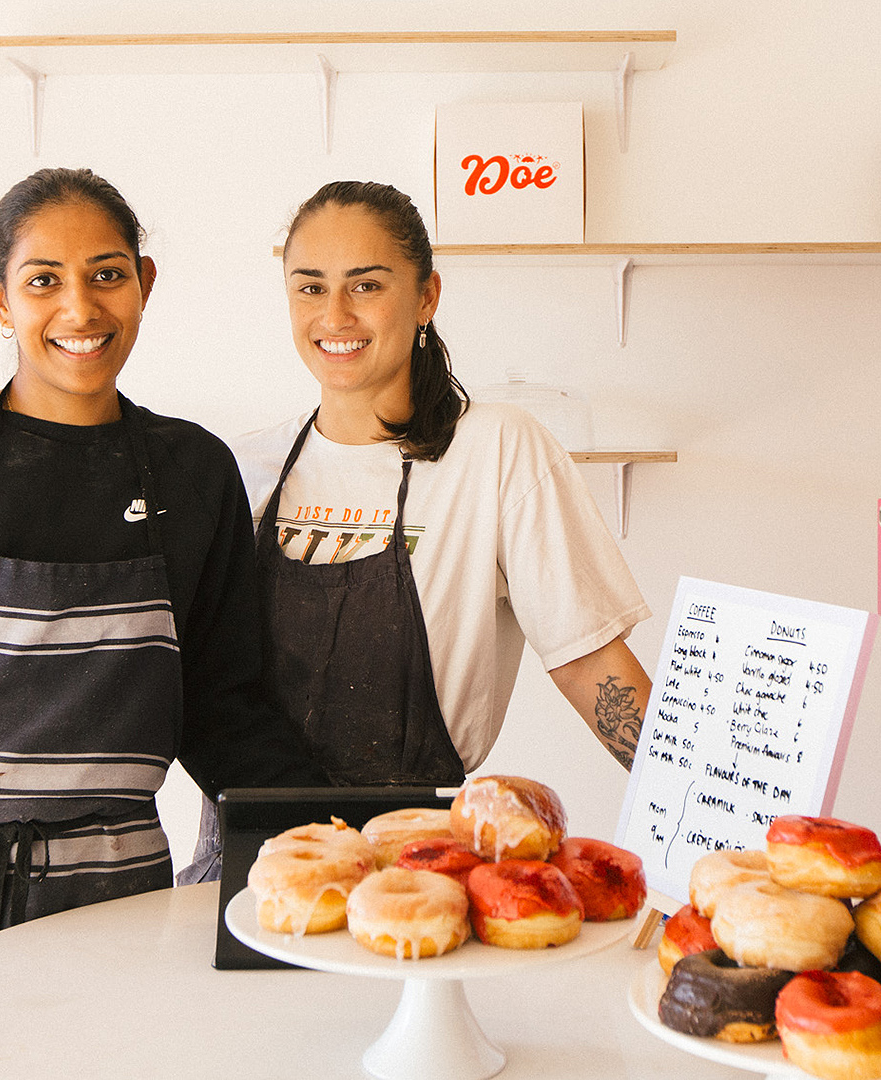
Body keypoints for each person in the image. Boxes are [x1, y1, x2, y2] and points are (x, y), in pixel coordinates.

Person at [0, 167, 326, 1076]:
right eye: (43, 279)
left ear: (145, 284)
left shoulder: (191, 472)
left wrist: (342, 851)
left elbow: (227, 712)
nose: (79, 306)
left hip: (120, 925)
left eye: (107, 274)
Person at [182, 179, 652, 881]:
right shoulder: (244, 469)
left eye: (366, 285)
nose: (334, 314)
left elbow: (590, 664)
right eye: (310, 288)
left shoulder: (496, 451)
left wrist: (713, 804)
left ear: (426, 296)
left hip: (416, 866)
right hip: (254, 865)